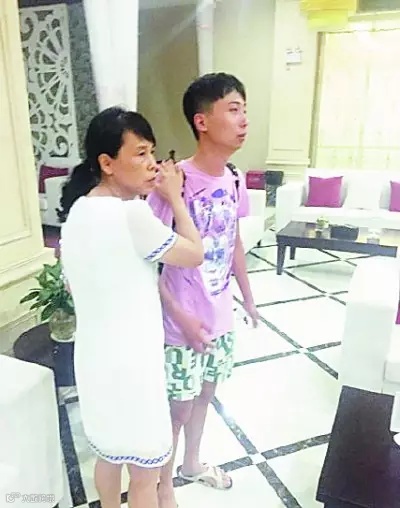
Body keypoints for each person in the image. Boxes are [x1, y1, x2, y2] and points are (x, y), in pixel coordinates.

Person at [58, 106, 204, 508]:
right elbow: (194, 254)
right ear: (107, 163)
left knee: (108, 455)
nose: (152, 163)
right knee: (145, 474)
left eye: (152, 152)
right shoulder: (132, 215)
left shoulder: (78, 212)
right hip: (134, 367)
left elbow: (73, 283)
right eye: (140, 153)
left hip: (94, 360)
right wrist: (175, 200)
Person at [147, 73, 259, 507]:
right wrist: (179, 314)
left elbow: (233, 240)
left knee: (207, 391)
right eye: (233, 109)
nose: (244, 119)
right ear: (202, 121)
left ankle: (191, 463)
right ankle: (163, 485)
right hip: (181, 324)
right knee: (177, 407)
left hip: (219, 314)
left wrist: (247, 296)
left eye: (244, 109)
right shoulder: (173, 183)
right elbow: (146, 261)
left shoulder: (233, 178)